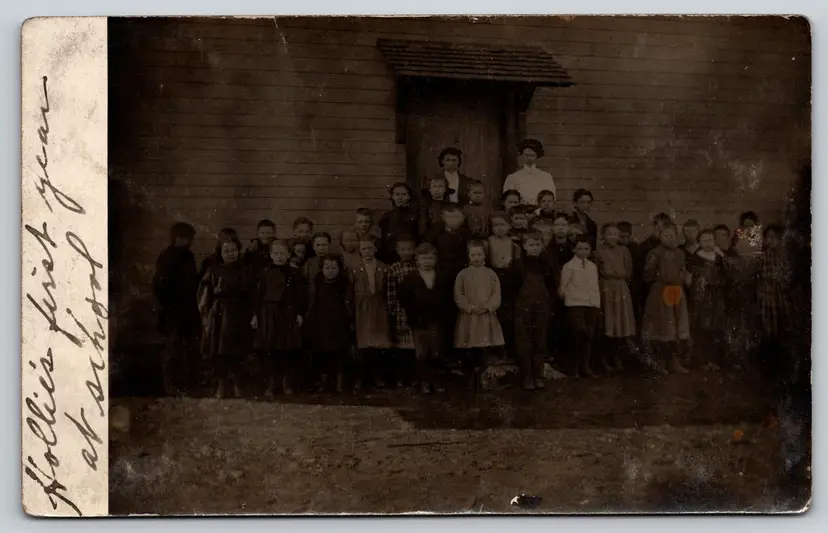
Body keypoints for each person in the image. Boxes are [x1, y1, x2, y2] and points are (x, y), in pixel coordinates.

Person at [198, 236, 252, 399]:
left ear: (239, 251)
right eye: (226, 251)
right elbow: (204, 295)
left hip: (239, 313)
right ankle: (221, 386)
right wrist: (206, 315)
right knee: (219, 351)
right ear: (220, 253)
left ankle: (237, 385)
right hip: (219, 313)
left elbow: (251, 294)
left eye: (234, 250)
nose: (230, 254)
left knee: (237, 351)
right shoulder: (213, 270)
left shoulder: (245, 270)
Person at [251, 240, 307, 397]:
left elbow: (300, 297)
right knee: (269, 350)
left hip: (288, 314)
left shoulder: (295, 274)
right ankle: (270, 384)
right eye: (276, 253)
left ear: (289, 254)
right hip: (268, 313)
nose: (279, 256)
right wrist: (255, 315)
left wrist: (299, 313)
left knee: (287, 350)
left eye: (283, 253)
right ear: (271, 255)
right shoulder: (264, 273)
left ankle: (285, 383)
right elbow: (257, 296)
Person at [152, 222, 200, 395]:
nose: (191, 242)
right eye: (188, 239)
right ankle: (171, 387)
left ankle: (187, 385)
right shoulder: (167, 257)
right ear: (178, 238)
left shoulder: (188, 255)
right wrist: (169, 307)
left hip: (189, 310)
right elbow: (159, 286)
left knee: (190, 348)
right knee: (173, 349)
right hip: (173, 311)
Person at [398, 243, 453, 394]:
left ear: (436, 259)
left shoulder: (441, 277)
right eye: (423, 258)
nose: (427, 261)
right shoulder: (410, 279)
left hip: (436, 321)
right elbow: (404, 300)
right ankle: (424, 382)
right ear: (417, 260)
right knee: (422, 354)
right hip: (419, 322)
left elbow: (447, 299)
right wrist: (412, 317)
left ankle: (437, 381)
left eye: (430, 258)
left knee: (436, 352)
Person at [453, 240, 505, 391]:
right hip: (469, 317)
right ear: (468, 256)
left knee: (484, 347)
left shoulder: (490, 274)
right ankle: (470, 377)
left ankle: (483, 376)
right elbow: (458, 294)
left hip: (485, 316)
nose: (476, 257)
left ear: (485, 256)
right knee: (469, 347)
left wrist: (488, 307)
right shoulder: (463, 274)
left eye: (479, 254)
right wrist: (470, 308)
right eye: (473, 255)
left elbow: (496, 294)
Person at [641, 224, 690, 375]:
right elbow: (647, 275)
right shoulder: (655, 253)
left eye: (672, 235)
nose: (670, 238)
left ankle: (673, 361)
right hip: (661, 291)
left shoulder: (680, 253)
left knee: (676, 325)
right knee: (662, 326)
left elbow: (682, 271)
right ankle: (658, 361)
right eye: (666, 235)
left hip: (677, 291)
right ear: (660, 237)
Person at [348, 238, 393, 390]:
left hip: (380, 308)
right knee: (363, 344)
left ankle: (378, 376)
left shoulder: (384, 268)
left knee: (379, 344)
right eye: (364, 249)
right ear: (359, 251)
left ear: (375, 249)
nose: (367, 251)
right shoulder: (353, 269)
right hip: (362, 309)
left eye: (369, 248)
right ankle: (360, 377)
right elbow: (350, 294)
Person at [513, 232, 555, 390]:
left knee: (540, 341)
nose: (534, 248)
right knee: (524, 342)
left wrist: (548, 304)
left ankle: (538, 375)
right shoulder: (518, 265)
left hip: (541, 308)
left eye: (537, 245)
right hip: (522, 308)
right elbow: (512, 287)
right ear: (524, 246)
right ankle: (527, 376)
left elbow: (552, 286)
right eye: (531, 245)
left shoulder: (546, 264)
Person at [305, 254, 352, 392]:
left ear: (339, 268)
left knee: (338, 352)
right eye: (327, 267)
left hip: (338, 321)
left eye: (333, 267)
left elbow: (348, 302)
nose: (330, 270)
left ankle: (339, 382)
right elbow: (313, 301)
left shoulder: (343, 282)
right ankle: (323, 380)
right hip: (321, 321)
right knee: (322, 352)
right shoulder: (317, 281)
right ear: (322, 268)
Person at [594, 223, 636, 372]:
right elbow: (597, 271)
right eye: (609, 234)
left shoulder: (624, 251)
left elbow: (629, 272)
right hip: (605, 288)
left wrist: (620, 284)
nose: (612, 237)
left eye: (615, 234)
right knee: (607, 323)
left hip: (620, 288)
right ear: (603, 236)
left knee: (619, 324)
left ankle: (617, 358)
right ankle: (604, 359)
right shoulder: (599, 252)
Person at [559, 236, 601, 378]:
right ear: (573, 249)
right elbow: (563, 287)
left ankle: (585, 366)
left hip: (592, 304)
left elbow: (594, 287)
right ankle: (573, 368)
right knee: (578, 333)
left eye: (586, 249)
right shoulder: (569, 266)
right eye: (580, 249)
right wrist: (569, 299)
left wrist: (596, 303)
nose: (583, 252)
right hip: (575, 304)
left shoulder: (592, 266)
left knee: (589, 335)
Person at [686, 229, 727, 370]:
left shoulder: (720, 257)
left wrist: (722, 255)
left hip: (716, 295)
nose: (708, 243)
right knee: (702, 328)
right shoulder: (695, 257)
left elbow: (726, 273)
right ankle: (702, 361)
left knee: (716, 328)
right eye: (704, 240)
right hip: (702, 296)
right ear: (699, 242)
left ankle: (713, 360)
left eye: (710, 240)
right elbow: (690, 278)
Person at [487, 211, 522, 361]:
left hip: (509, 281)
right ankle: (494, 349)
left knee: (508, 316)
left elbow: (518, 265)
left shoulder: (514, 245)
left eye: (503, 225)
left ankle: (507, 349)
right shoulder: (487, 243)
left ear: (509, 226)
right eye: (495, 225)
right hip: (491, 279)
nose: (499, 228)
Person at [386, 235, 419, 387]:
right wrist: (393, 311)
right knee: (401, 348)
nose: (406, 252)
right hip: (400, 310)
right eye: (403, 250)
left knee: (415, 346)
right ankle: (401, 377)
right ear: (398, 251)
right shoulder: (394, 268)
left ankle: (414, 377)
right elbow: (391, 293)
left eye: (409, 249)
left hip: (415, 310)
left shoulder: (418, 266)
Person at [502, 138, 556, 206]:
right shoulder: (512, 178)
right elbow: (509, 199)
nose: (529, 158)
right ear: (522, 155)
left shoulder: (546, 177)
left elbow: (551, 197)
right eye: (526, 155)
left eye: (532, 155)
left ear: (537, 156)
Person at [377, 182, 418, 265]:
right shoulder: (387, 217)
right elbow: (383, 237)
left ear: (409, 196)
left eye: (404, 194)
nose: (400, 197)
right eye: (397, 194)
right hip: (391, 254)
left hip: (409, 254)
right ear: (392, 196)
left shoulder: (415, 216)